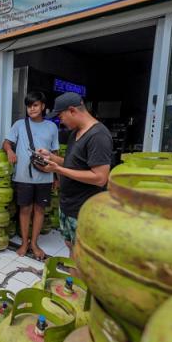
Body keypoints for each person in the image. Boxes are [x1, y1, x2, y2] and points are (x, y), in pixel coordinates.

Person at [39, 92, 112, 254]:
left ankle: (78, 278)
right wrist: (51, 157)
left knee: (83, 254)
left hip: (83, 209)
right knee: (71, 247)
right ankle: (73, 278)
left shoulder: (98, 136)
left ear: (72, 110)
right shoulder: (75, 133)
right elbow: (72, 164)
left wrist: (57, 170)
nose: (61, 121)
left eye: (61, 116)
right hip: (68, 206)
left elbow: (100, 178)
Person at [3, 91, 59, 259]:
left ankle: (34, 243)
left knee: (40, 209)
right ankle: (24, 242)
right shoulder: (19, 124)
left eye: (35, 105)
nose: (32, 109)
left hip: (45, 176)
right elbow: (6, 142)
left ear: (42, 106)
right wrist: (9, 151)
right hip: (23, 175)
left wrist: (56, 176)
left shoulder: (52, 127)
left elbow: (55, 151)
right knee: (25, 209)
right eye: (29, 106)